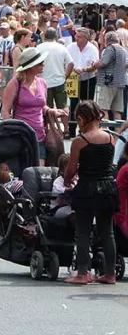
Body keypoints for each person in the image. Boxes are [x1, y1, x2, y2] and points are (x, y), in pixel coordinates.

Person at [64, 101, 118, 285]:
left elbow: (71, 169)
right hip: (107, 188)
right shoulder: (111, 138)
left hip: (87, 188)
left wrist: (66, 180)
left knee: (83, 232)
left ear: (81, 118)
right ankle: (110, 274)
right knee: (107, 232)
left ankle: (82, 273)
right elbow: (109, 165)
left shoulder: (80, 141)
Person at [1, 47, 66, 166]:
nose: (43, 65)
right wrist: (11, 130)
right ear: (31, 66)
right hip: (20, 136)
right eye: (40, 63)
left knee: (40, 172)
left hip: (39, 135)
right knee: (23, 172)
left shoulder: (42, 83)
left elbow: (42, 106)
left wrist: (51, 111)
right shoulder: (15, 84)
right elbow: (5, 110)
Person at [67, 28, 99, 135]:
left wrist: (84, 69)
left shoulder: (92, 48)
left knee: (87, 105)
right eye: (76, 36)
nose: (77, 38)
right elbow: (66, 61)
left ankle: (85, 130)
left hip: (88, 79)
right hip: (74, 80)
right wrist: (74, 68)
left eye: (79, 37)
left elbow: (95, 65)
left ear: (86, 38)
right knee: (73, 104)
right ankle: (71, 130)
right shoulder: (70, 47)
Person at [91, 31, 128, 121]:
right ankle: (118, 135)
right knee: (117, 113)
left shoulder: (110, 49)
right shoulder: (123, 50)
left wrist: (95, 64)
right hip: (120, 83)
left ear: (106, 40)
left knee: (103, 110)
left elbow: (103, 63)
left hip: (107, 83)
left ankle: (106, 133)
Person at [36, 28, 74, 110]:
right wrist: (66, 75)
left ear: (45, 36)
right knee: (63, 108)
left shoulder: (38, 48)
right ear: (56, 36)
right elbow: (71, 63)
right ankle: (65, 123)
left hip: (44, 82)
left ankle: (49, 123)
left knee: (47, 109)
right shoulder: (62, 47)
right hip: (59, 81)